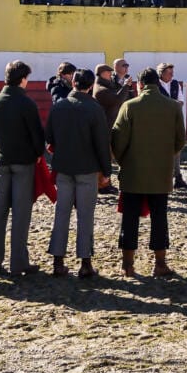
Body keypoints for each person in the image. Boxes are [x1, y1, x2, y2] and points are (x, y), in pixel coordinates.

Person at [112, 67, 187, 278]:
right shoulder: (172, 107)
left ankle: (127, 265)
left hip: (133, 172)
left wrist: (123, 161)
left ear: (140, 85)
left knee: (130, 219)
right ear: (157, 82)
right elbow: (180, 139)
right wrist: (165, 156)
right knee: (159, 217)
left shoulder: (129, 106)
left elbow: (118, 140)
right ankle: (160, 263)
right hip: (161, 172)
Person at [45, 67, 111, 279]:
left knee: (61, 214)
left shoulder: (59, 106)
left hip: (64, 167)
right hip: (87, 168)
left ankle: (58, 261)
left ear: (73, 83)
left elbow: (50, 138)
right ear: (90, 86)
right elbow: (102, 143)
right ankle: (85, 263)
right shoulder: (94, 109)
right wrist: (106, 171)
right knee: (85, 216)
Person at [0, 60, 46, 276]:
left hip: (2, 162)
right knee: (21, 214)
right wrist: (38, 154)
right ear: (22, 79)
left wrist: (0, 152)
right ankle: (18, 262)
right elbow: (37, 135)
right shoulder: (26, 103)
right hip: (24, 163)